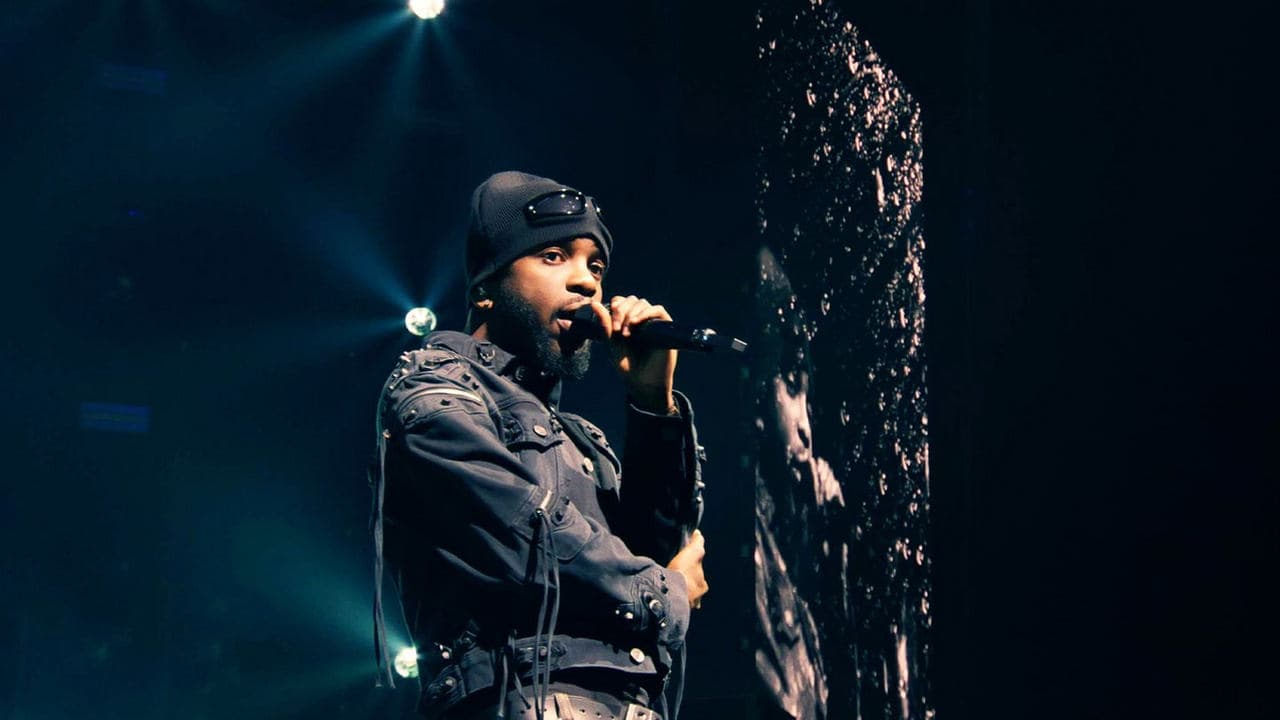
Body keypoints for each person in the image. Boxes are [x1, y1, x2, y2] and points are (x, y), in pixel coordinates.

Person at [371, 171, 710, 720]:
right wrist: (666, 592)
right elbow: (528, 538)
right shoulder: (432, 389)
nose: (586, 284)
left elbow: (648, 553)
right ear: (485, 286)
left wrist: (653, 405)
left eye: (595, 266)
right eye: (554, 256)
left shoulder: (584, 441)